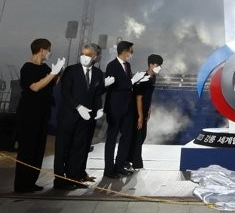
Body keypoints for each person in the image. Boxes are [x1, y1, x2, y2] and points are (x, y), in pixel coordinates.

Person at [13, 38, 65, 193]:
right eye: (48, 50)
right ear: (42, 50)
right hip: (29, 115)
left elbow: (52, 83)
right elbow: (35, 87)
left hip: (43, 114)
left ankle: (31, 181)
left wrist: (58, 73)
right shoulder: (27, 68)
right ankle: (21, 184)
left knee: (38, 149)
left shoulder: (45, 67)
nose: (49, 53)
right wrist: (52, 74)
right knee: (27, 149)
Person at [54, 44, 105, 189]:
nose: (84, 57)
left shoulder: (97, 73)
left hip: (86, 118)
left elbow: (97, 94)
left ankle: (74, 178)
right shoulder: (71, 70)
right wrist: (78, 106)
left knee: (79, 149)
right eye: (82, 54)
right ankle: (59, 181)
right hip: (69, 116)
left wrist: (99, 109)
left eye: (88, 54)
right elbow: (65, 92)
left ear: (95, 57)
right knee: (63, 148)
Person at [103, 41, 136, 179]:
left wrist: (134, 82)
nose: (131, 54)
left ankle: (120, 166)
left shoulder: (127, 65)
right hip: (114, 108)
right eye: (131, 51)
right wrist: (131, 82)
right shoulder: (112, 65)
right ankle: (109, 170)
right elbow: (114, 86)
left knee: (126, 137)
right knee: (111, 139)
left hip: (127, 107)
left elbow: (127, 86)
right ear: (124, 51)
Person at [129, 54, 163, 170]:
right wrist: (140, 116)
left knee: (142, 136)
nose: (159, 67)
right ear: (151, 65)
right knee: (138, 137)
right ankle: (136, 163)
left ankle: (130, 159)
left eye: (160, 66)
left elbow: (149, 95)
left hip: (144, 110)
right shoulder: (143, 77)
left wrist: (149, 110)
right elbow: (138, 97)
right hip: (137, 111)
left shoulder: (153, 77)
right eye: (157, 65)